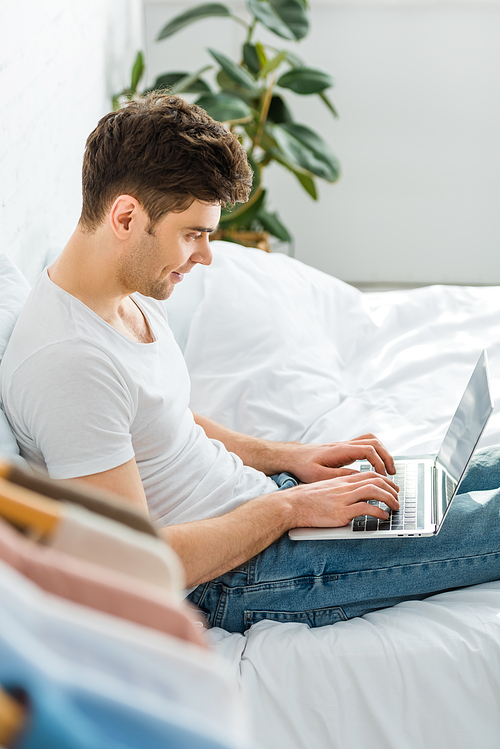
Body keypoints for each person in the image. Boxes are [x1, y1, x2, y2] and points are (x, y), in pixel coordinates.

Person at [1, 93, 499, 634]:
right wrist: (289, 510)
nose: (206, 255)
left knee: (469, 472)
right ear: (126, 216)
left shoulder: (126, 291)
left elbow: (165, 419)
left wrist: (294, 459)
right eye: (193, 234)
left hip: (263, 511)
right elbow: (137, 566)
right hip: (240, 577)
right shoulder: (69, 365)